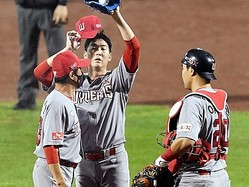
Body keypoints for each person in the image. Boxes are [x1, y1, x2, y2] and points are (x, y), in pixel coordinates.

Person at [34, 6, 140, 187]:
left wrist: (116, 15)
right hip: (83, 163)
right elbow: (40, 73)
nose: (98, 52)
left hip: (114, 161)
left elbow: (134, 48)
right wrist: (66, 50)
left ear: (110, 56)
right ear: (84, 55)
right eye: (93, 48)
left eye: (103, 49)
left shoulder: (117, 80)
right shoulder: (71, 83)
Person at [154, 48, 231, 187]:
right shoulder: (221, 100)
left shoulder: (193, 101)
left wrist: (162, 160)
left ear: (191, 70)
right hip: (221, 177)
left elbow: (186, 141)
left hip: (197, 179)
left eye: (183, 67)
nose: (182, 72)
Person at [32, 46, 90, 186]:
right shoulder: (57, 104)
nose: (82, 73)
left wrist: (67, 50)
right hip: (54, 172)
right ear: (71, 75)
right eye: (79, 70)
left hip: (59, 169)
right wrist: (60, 181)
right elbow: (50, 146)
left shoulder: (62, 97)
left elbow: (39, 72)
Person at [14, 0, 68, 110]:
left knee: (59, 56)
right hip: (25, 7)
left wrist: (62, 4)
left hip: (51, 8)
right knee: (27, 54)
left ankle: (63, 97)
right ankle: (26, 99)